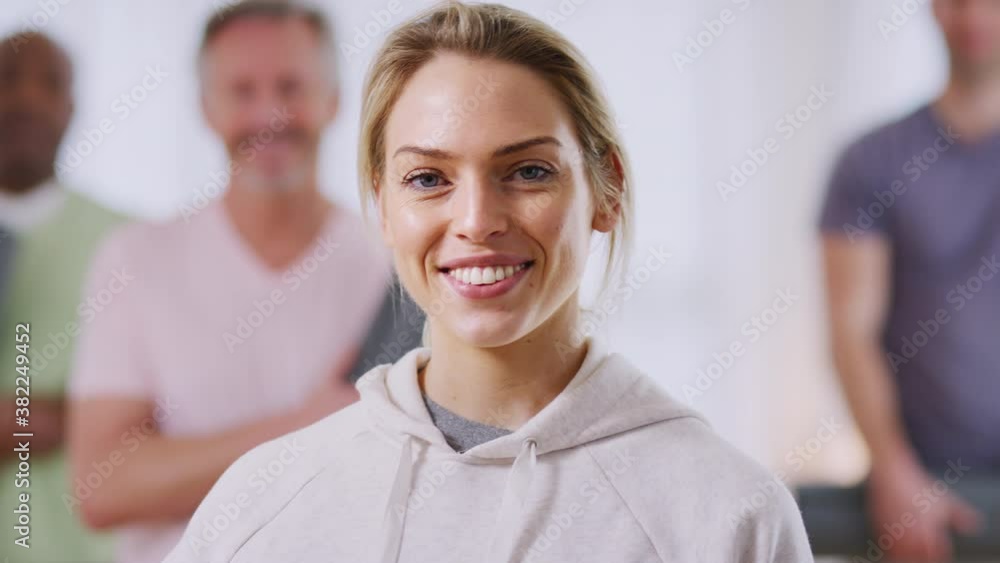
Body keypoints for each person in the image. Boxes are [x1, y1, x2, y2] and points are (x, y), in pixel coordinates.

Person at [164, 3, 814, 562]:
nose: (476, 221)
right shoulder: (260, 502)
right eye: (427, 178)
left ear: (605, 191)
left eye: (528, 171)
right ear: (384, 207)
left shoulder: (727, 513)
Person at [67, 3, 411, 563]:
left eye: (291, 86)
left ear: (334, 100)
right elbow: (103, 488)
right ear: (206, 108)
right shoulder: (134, 261)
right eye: (243, 90)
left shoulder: (397, 264)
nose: (270, 115)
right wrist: (308, 429)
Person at [820, 0, 1000, 560]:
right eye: (958, 1)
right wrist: (892, 469)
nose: (973, 17)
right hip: (919, 488)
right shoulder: (871, 161)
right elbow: (852, 328)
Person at [0, 32, 123, 562]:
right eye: (7, 80)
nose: (26, 98)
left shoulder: (128, 246)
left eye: (48, 84)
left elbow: (165, 410)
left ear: (70, 108)